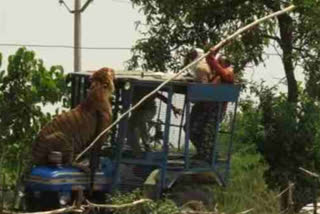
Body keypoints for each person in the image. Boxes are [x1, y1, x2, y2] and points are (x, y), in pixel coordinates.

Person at [189, 48, 234, 162]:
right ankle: (203, 153)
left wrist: (213, 56)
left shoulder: (227, 73)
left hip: (216, 109)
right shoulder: (216, 74)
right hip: (206, 107)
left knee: (208, 133)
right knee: (192, 129)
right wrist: (213, 52)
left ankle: (208, 157)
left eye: (220, 62)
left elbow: (212, 61)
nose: (217, 64)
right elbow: (210, 60)